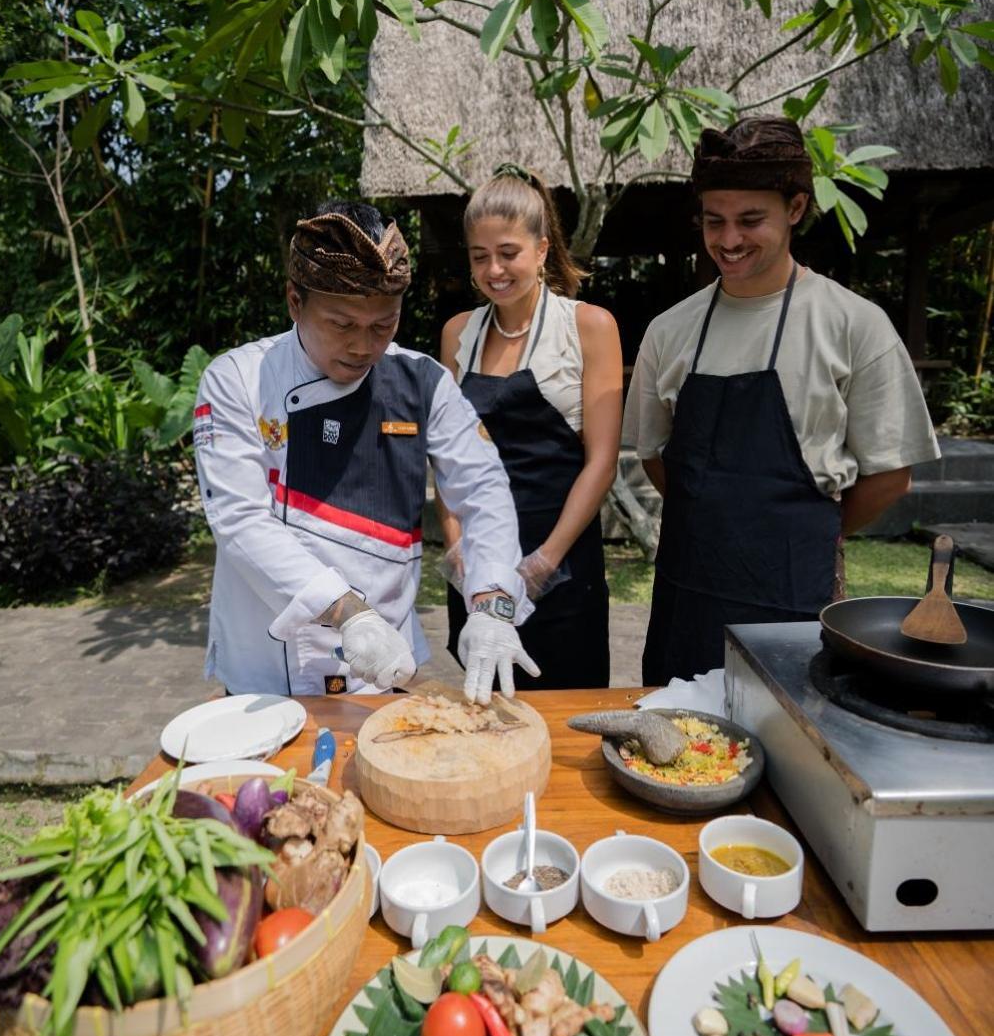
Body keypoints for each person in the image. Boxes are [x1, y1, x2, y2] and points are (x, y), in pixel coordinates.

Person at [624, 115, 940, 684]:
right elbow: (655, 456)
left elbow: (891, 477)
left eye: (750, 220)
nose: (729, 240)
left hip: (795, 590)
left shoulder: (854, 325)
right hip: (687, 594)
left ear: (795, 209)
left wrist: (806, 528)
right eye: (714, 221)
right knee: (678, 749)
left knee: (791, 748)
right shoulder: (669, 331)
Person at [194, 199, 538, 705]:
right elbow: (240, 519)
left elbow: (483, 489)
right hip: (268, 666)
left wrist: (491, 601)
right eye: (342, 324)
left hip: (388, 662)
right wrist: (348, 612)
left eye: (383, 325)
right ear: (294, 301)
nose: (363, 346)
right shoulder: (237, 380)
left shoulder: (423, 384)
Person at [438, 165, 623, 688]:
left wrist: (543, 561)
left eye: (508, 253)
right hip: (479, 566)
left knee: (565, 712)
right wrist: (458, 552)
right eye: (480, 257)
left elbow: (602, 460)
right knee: (487, 712)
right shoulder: (458, 335)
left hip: (562, 562)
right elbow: (447, 460)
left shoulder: (588, 326)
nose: (494, 269)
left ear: (541, 250)